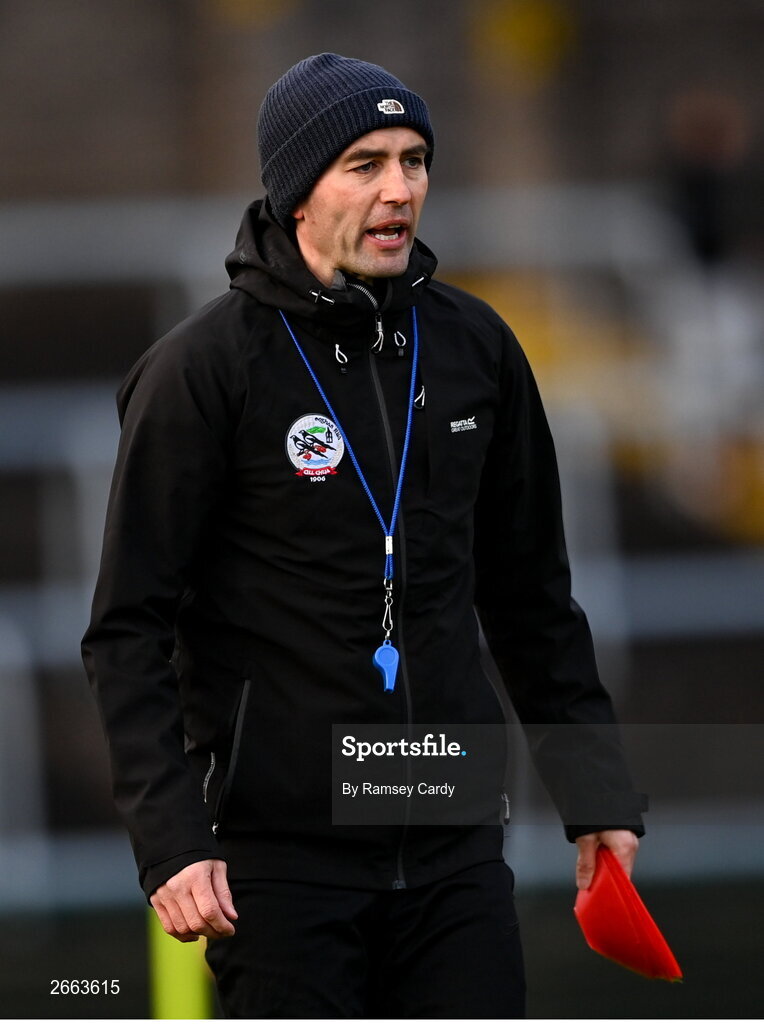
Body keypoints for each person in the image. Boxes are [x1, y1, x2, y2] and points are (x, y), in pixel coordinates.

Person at [83, 53, 646, 1018]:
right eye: (365, 164)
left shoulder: (479, 350)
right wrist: (173, 842)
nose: (400, 190)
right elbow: (125, 628)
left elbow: (531, 594)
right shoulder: (202, 371)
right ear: (298, 191)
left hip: (455, 848)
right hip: (278, 865)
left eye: (415, 159)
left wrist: (595, 792)